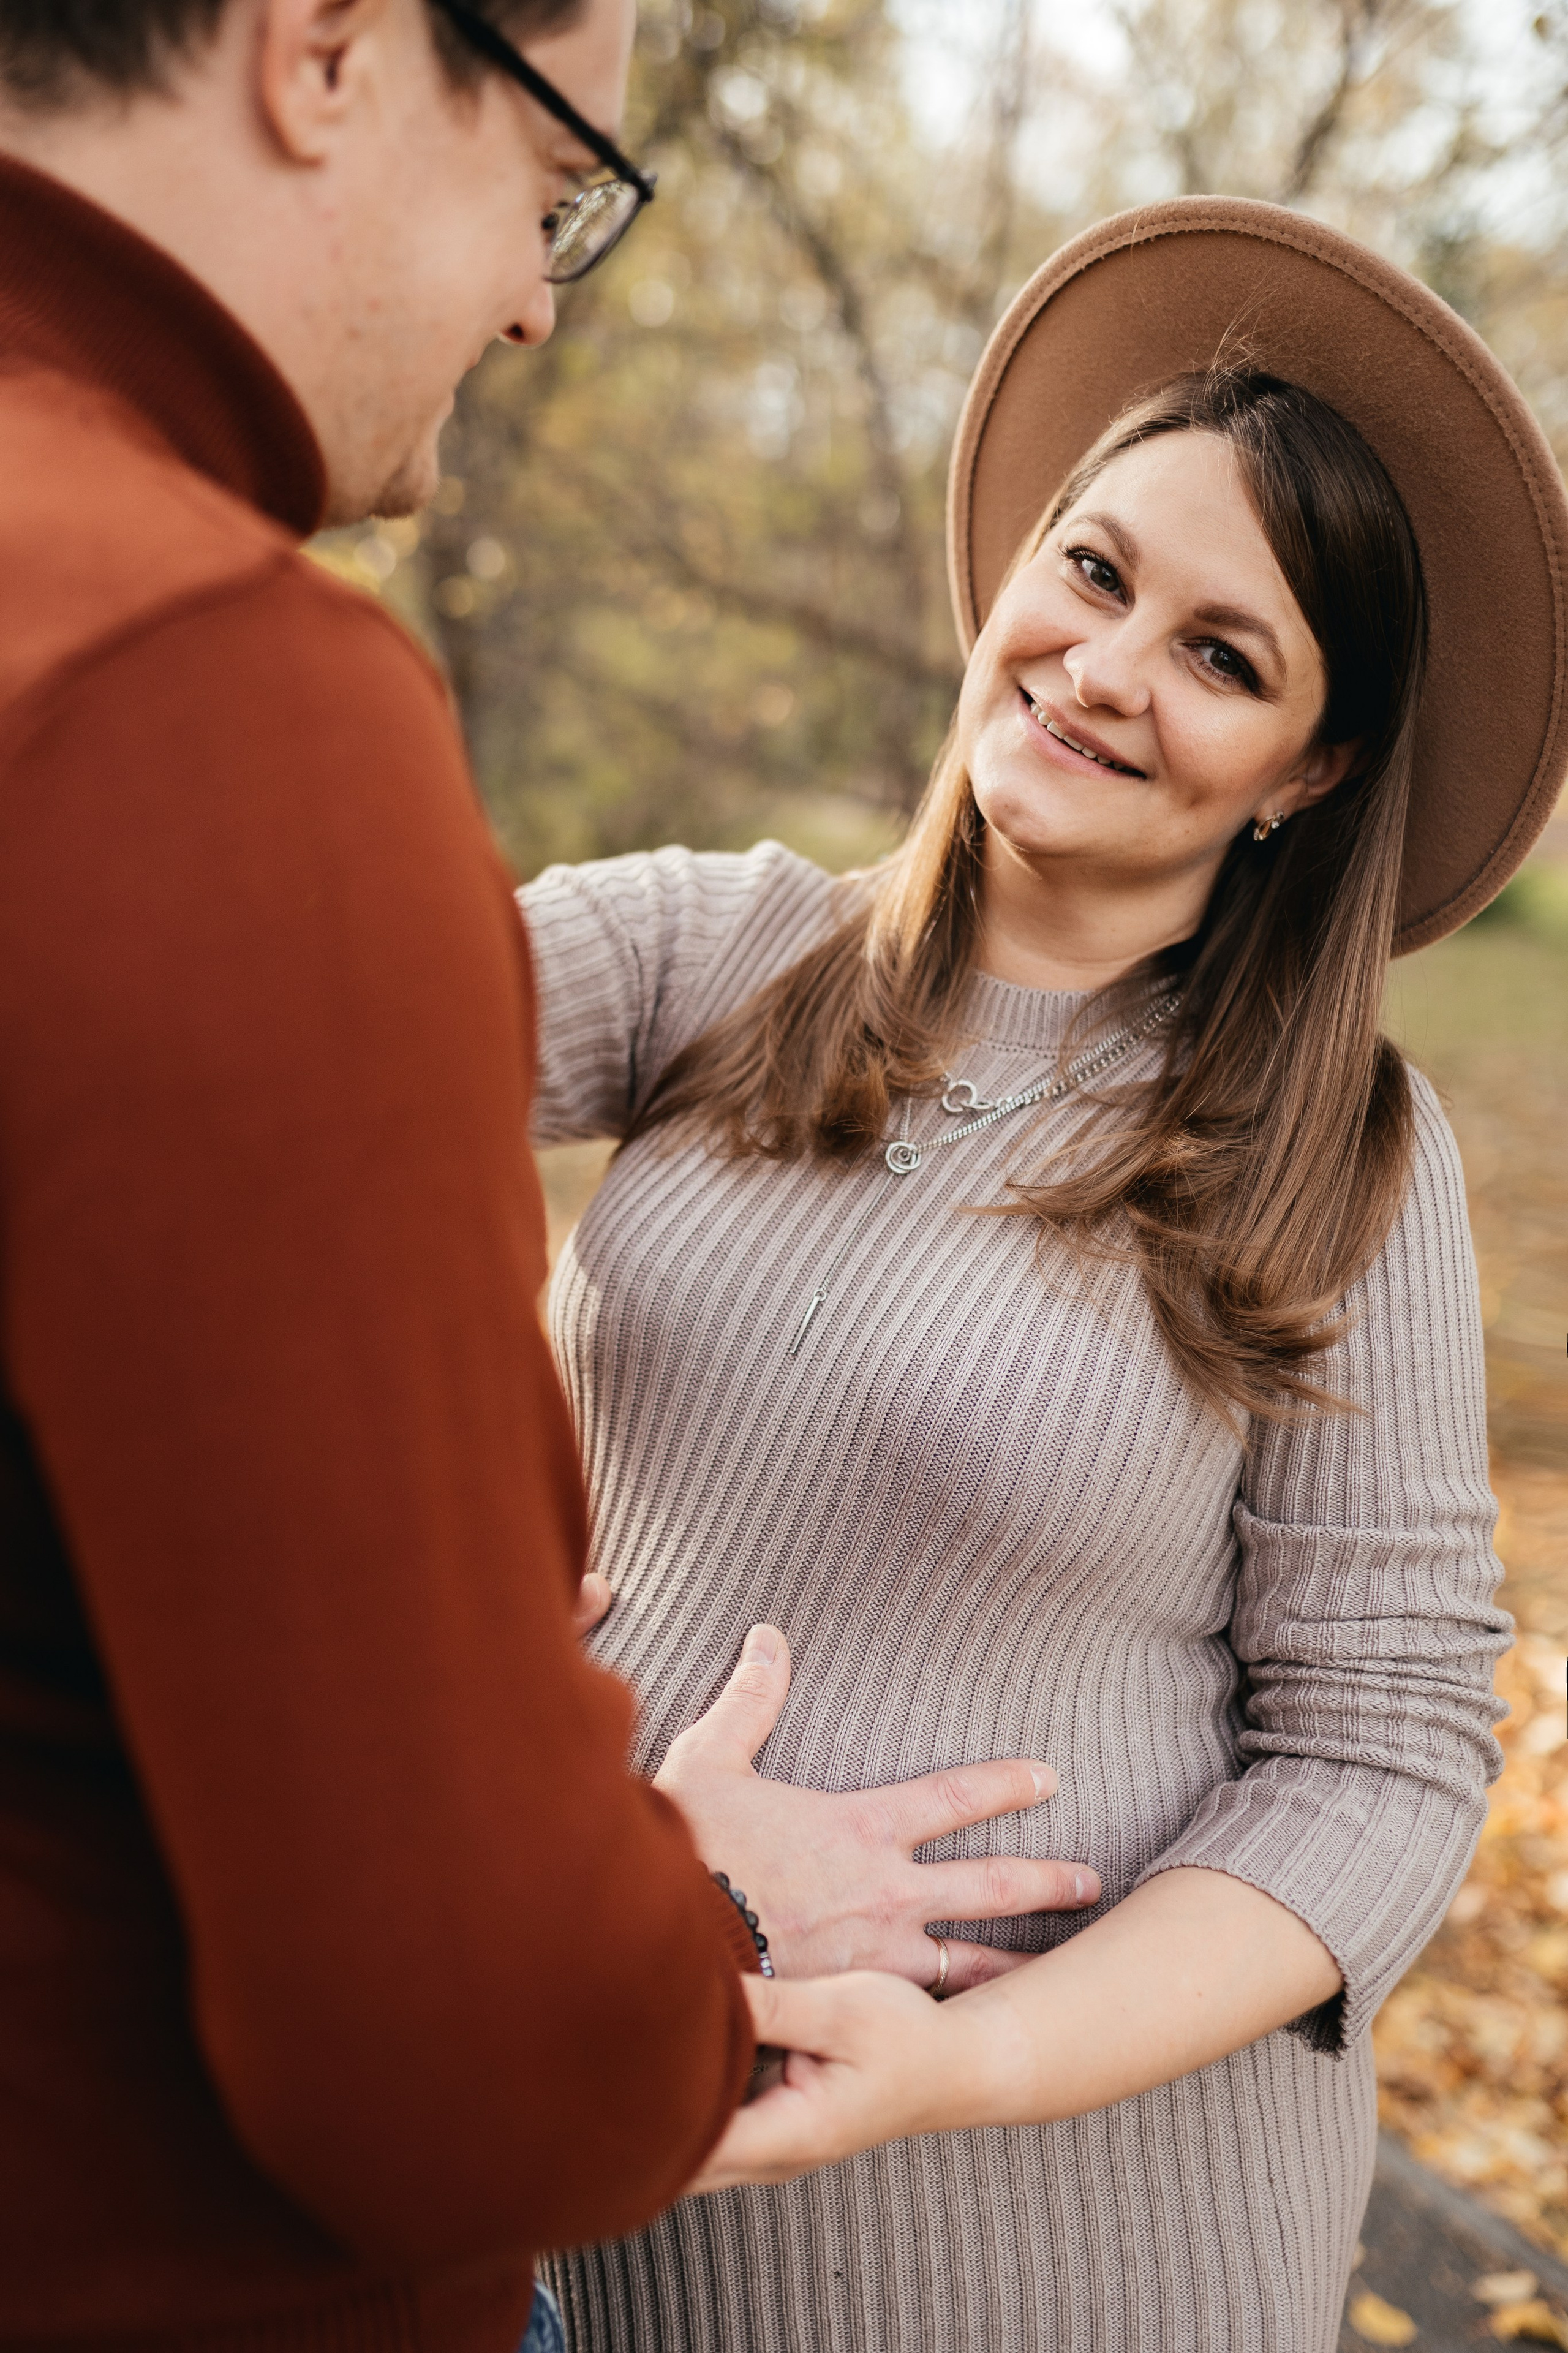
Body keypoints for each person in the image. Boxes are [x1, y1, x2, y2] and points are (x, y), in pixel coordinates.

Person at [0, 3, 1095, 2346]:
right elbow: (447, 2049)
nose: (534, 294)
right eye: (555, 177)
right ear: (327, 50)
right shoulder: (218, 713)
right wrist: (700, 1913)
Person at [520, 200, 1568, 2352]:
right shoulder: (719, 950)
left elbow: (1386, 1756)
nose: (1102, 668)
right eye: (1093, 573)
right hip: (579, 2116)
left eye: (1223, 653)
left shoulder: (1345, 1157)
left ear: (1317, 768)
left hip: (1045, 2228)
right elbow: (235, 1042)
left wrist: (961, 2058)